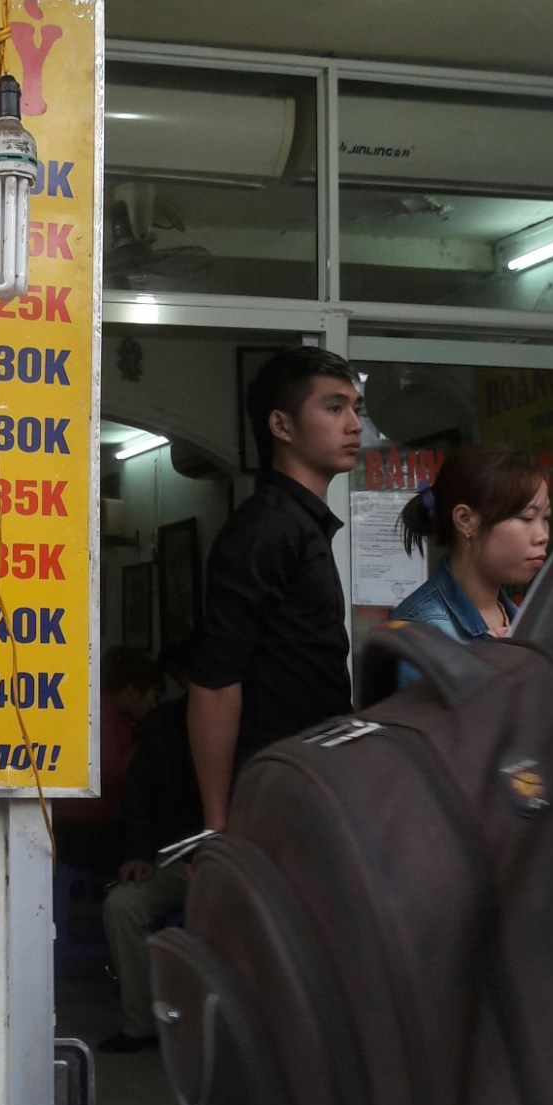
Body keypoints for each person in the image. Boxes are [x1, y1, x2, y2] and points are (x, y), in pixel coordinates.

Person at [187, 348, 362, 835]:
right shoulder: (268, 526)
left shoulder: (300, 524)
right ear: (282, 425)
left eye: (356, 408)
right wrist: (217, 825)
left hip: (313, 783)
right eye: (334, 408)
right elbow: (214, 684)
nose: (354, 425)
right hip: (274, 794)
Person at [99, 637, 204, 1052]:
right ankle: (141, 1024)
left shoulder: (259, 720)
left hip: (240, 860)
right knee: (122, 905)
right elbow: (138, 794)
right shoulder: (166, 725)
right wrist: (140, 853)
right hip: (179, 857)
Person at [52, 647, 162, 986]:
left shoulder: (115, 715)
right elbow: (110, 772)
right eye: (152, 695)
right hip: (82, 830)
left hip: (86, 825)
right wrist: (147, 750)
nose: (154, 704)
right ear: (132, 690)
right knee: (153, 856)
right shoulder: (102, 713)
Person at [391, 444, 550, 641]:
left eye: (546, 518)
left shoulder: (523, 624)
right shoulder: (419, 632)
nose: (543, 535)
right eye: (527, 517)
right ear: (465, 520)